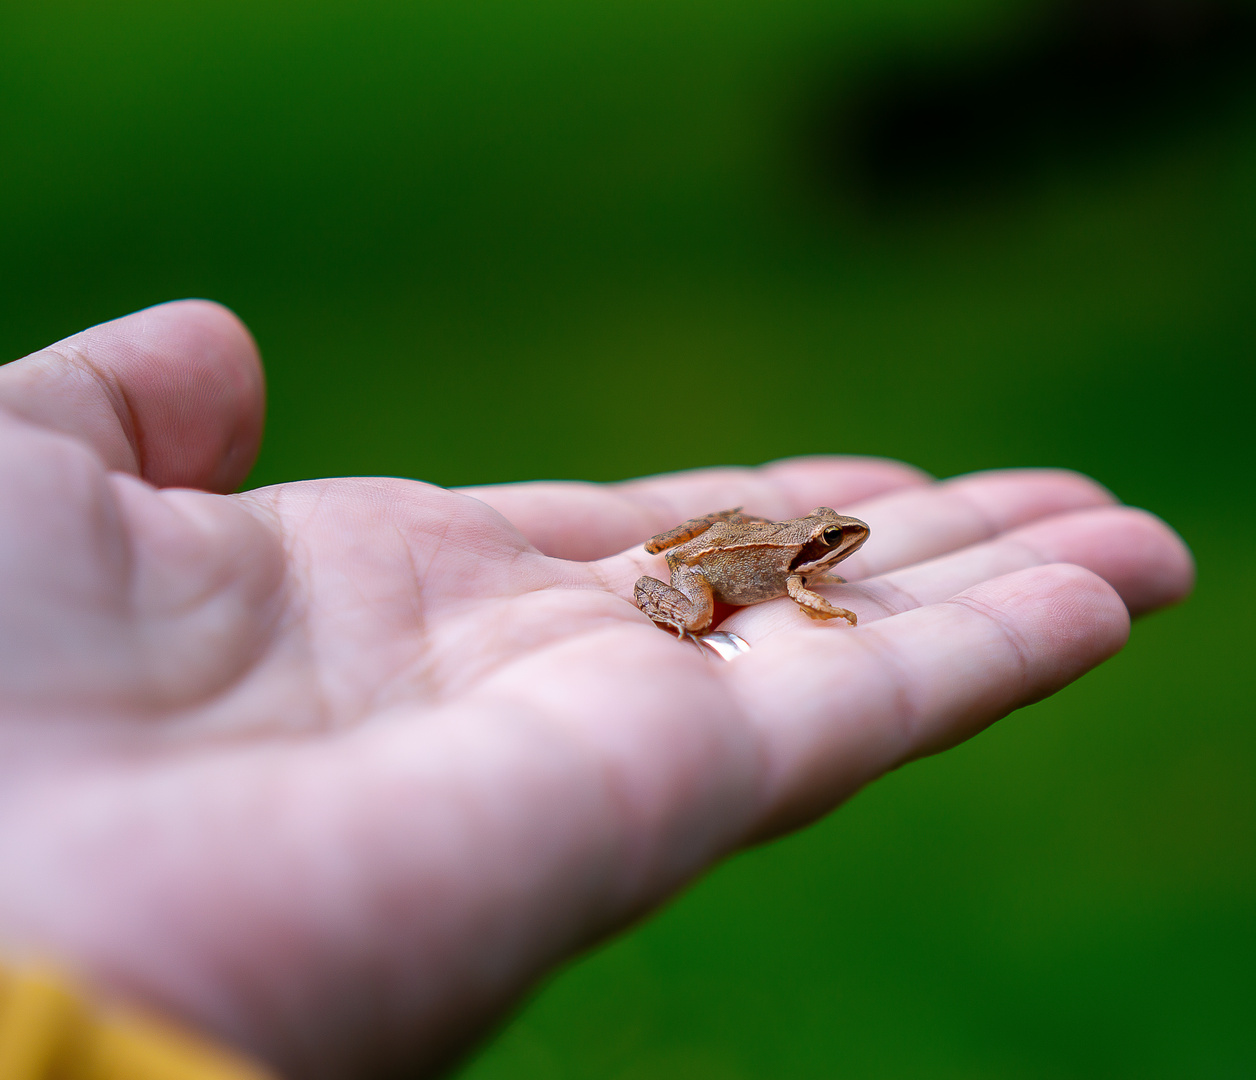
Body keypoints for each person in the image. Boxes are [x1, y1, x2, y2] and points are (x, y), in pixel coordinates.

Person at [0, 301, 1193, 1079]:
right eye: (830, 543)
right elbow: (809, 602)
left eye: (830, 543)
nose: (838, 551)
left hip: (719, 537)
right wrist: (819, 601)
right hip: (709, 576)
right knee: (705, 600)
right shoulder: (797, 572)